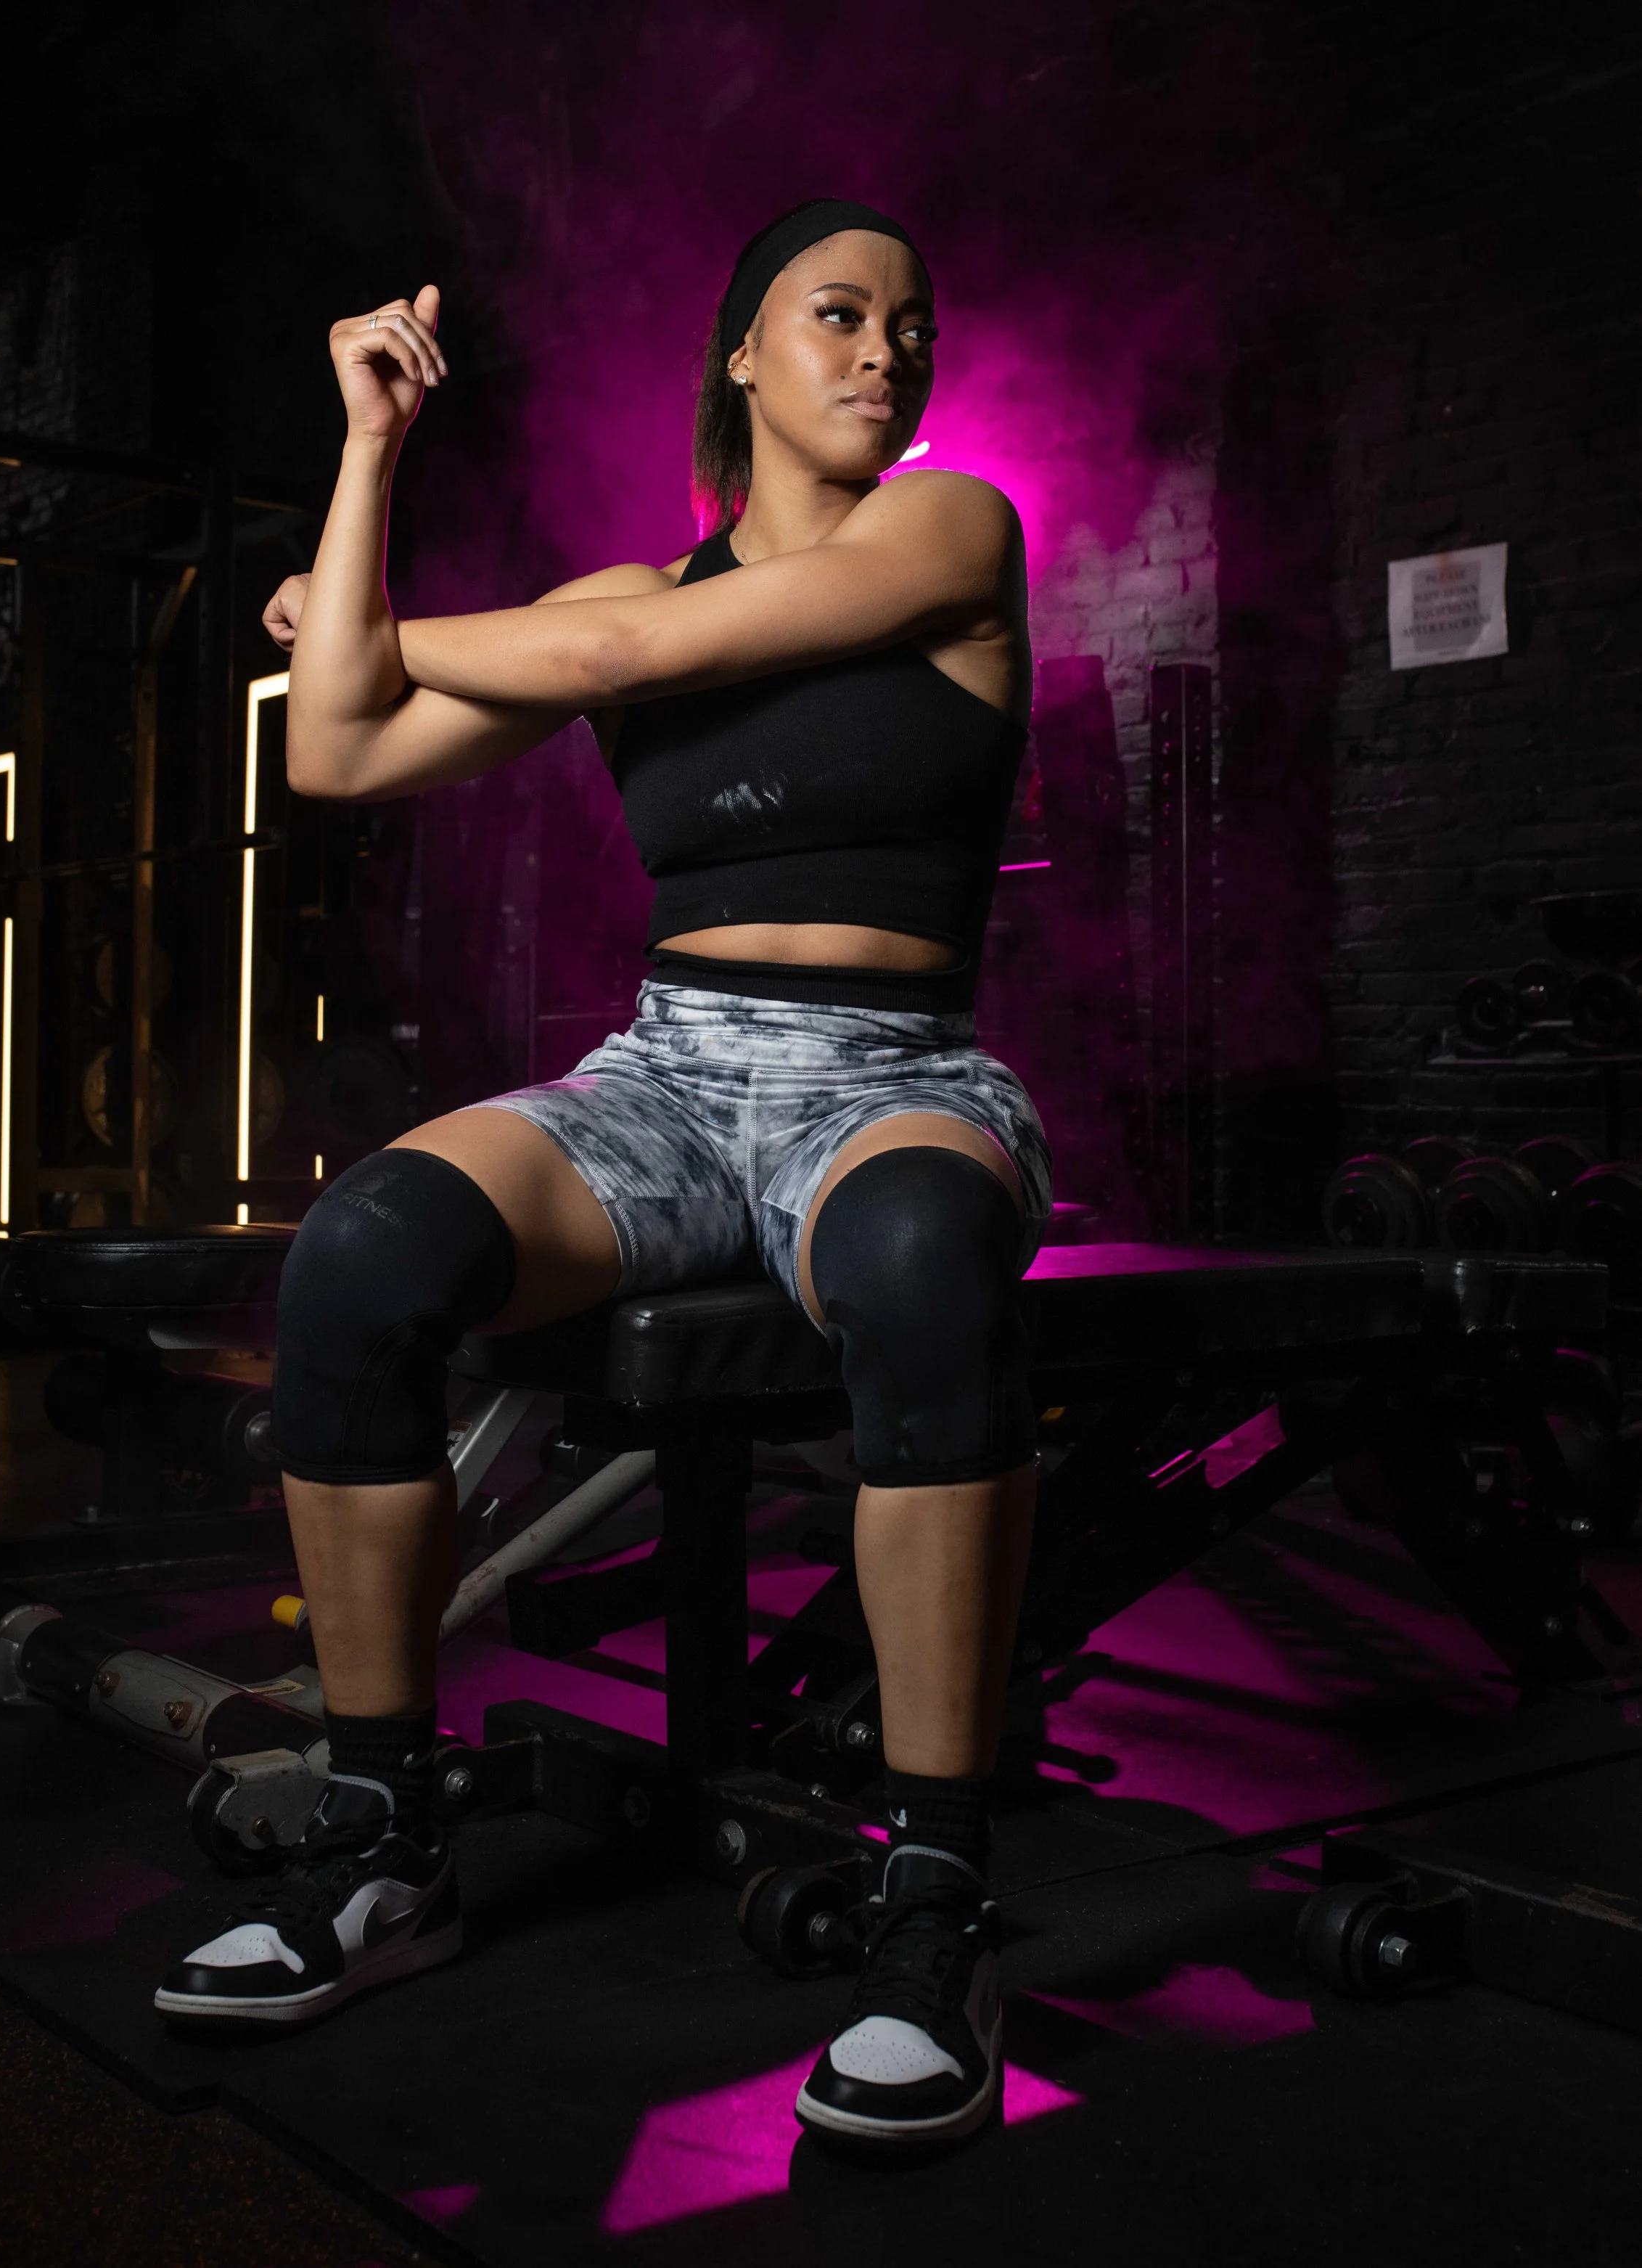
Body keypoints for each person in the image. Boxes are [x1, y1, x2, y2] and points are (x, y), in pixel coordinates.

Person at [156, 198, 1051, 2148]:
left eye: (911, 321)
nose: (884, 351)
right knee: (363, 1250)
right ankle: (387, 1831)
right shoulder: (616, 580)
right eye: (836, 313)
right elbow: (330, 752)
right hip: (670, 1065)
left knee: (914, 1257)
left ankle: (930, 1891)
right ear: (742, 351)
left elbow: (614, 650)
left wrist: (363, 620)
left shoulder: (949, 529)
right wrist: (369, 451)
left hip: (885, 1076)